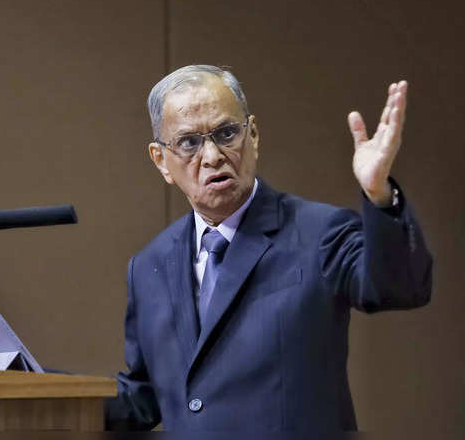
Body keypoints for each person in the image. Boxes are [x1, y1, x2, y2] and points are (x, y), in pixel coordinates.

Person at [103, 65, 433, 431]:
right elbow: (145, 398)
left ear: (254, 134)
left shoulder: (319, 232)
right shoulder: (149, 266)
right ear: (161, 160)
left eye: (227, 133)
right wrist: (37, 383)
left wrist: (380, 196)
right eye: (188, 143)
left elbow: (398, 288)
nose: (212, 156)